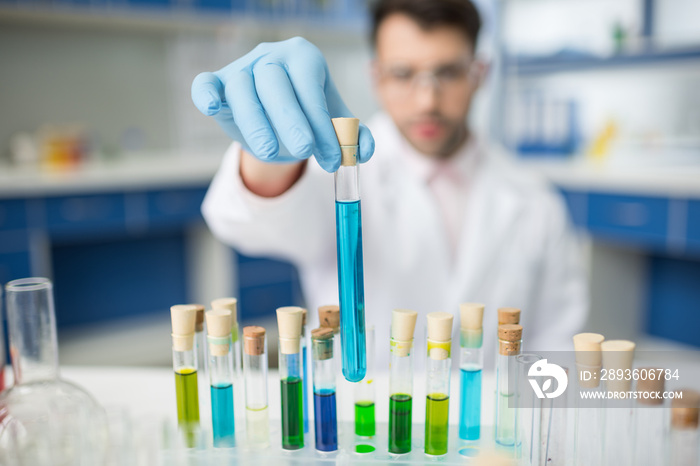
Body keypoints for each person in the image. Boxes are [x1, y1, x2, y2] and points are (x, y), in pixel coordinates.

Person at [191, 0, 587, 367]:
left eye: (447, 72)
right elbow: (242, 222)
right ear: (376, 77)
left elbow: (557, 342)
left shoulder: (535, 199)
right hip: (362, 422)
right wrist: (268, 155)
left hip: (488, 434)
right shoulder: (334, 171)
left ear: (479, 74)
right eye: (403, 73)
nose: (426, 101)